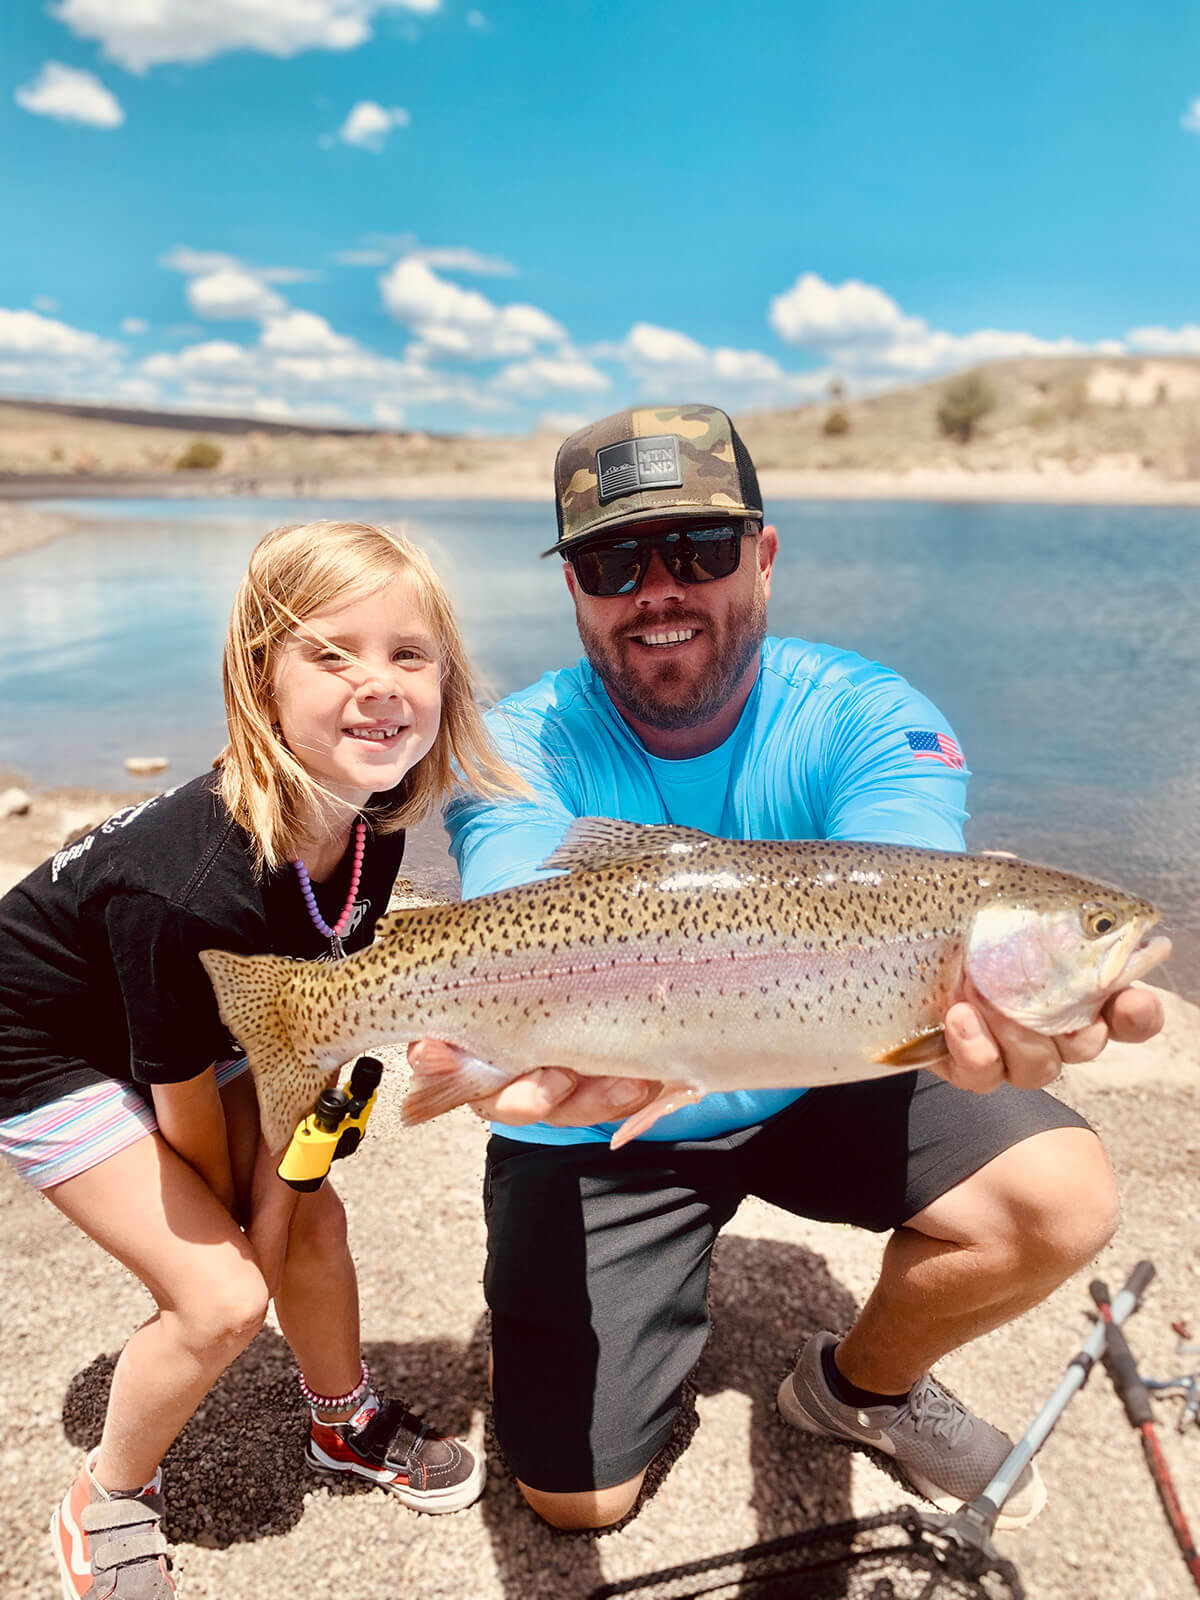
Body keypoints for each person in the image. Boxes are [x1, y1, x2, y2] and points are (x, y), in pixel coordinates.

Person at [420, 404, 1168, 1534]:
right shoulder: (511, 742)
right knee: (576, 1502)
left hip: (831, 1061)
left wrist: (996, 1015)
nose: (659, 588)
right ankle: (623, 1345)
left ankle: (857, 1390)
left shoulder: (870, 717)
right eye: (614, 561)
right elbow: (512, 918)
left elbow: (916, 887)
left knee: (1060, 1195)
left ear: (763, 557)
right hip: (596, 1105)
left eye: (701, 551)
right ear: (574, 587)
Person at [0, 520, 520, 1599]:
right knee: (220, 1296)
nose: (377, 685)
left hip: (199, 1014)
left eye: (408, 654)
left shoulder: (368, 833)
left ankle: (343, 1422)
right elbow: (182, 1094)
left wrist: (293, 1174)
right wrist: (243, 1225)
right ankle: (108, 1494)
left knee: (310, 1210)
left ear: (446, 679)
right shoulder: (192, 886)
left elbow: (308, 1006)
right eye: (330, 653)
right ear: (259, 677)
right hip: (40, 1038)